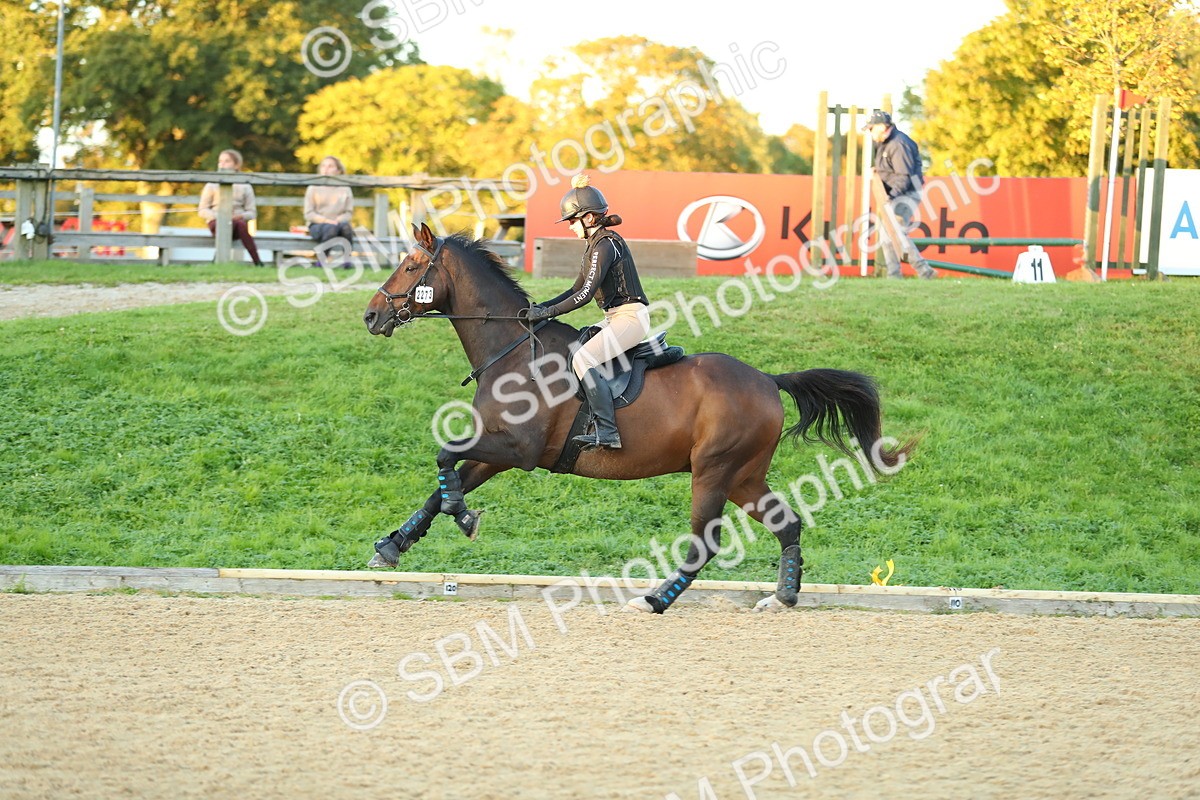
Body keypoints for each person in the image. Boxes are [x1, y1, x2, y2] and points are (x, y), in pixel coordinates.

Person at [520, 173, 650, 450]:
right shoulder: (595, 245)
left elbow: (583, 295)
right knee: (576, 347)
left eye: (571, 220)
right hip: (614, 317)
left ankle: (608, 431)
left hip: (630, 318)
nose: (569, 226)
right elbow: (573, 288)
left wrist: (547, 314)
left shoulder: (606, 245)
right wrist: (542, 307)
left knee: (584, 359)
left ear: (589, 218)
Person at [863, 110, 936, 279]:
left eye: (872, 128)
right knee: (886, 232)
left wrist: (891, 196)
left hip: (906, 193)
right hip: (898, 193)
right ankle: (894, 275)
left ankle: (924, 270)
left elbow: (904, 176)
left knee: (896, 231)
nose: (870, 132)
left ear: (882, 127)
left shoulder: (898, 144)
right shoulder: (885, 142)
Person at [197, 149, 263, 266]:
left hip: (238, 224)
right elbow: (202, 210)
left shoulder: (245, 186)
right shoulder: (211, 185)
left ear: (236, 165)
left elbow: (252, 212)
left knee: (240, 225)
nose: (222, 164)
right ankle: (218, 259)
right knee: (225, 225)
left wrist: (239, 216)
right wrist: (220, 216)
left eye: (227, 161)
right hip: (216, 222)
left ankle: (256, 260)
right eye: (220, 161)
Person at [304, 155, 355, 267]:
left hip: (339, 223)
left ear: (338, 170)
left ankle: (347, 261)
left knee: (346, 227)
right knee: (331, 228)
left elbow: (348, 212)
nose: (326, 169)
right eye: (323, 166)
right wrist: (326, 220)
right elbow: (309, 213)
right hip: (318, 224)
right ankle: (321, 260)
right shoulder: (313, 187)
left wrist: (338, 220)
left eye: (330, 166)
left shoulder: (345, 189)